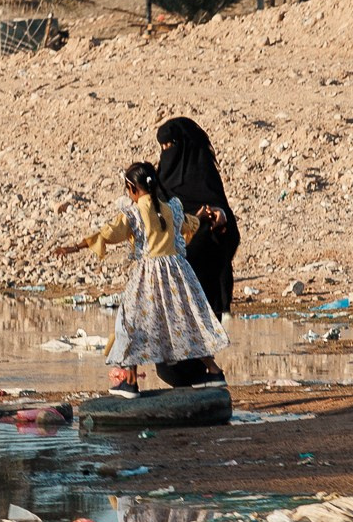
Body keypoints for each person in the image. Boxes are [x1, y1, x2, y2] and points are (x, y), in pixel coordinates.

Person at [53, 161, 229, 392]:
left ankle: (130, 382)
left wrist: (74, 247)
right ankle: (214, 372)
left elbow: (107, 234)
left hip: (148, 277)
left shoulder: (134, 214)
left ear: (132, 188)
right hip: (178, 275)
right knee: (185, 321)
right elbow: (187, 223)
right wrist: (205, 218)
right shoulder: (171, 209)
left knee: (132, 324)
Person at [153, 115, 239, 319]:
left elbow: (228, 225)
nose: (167, 152)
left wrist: (220, 217)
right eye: (163, 147)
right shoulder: (161, 184)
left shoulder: (204, 174)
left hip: (204, 278)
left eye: (171, 145)